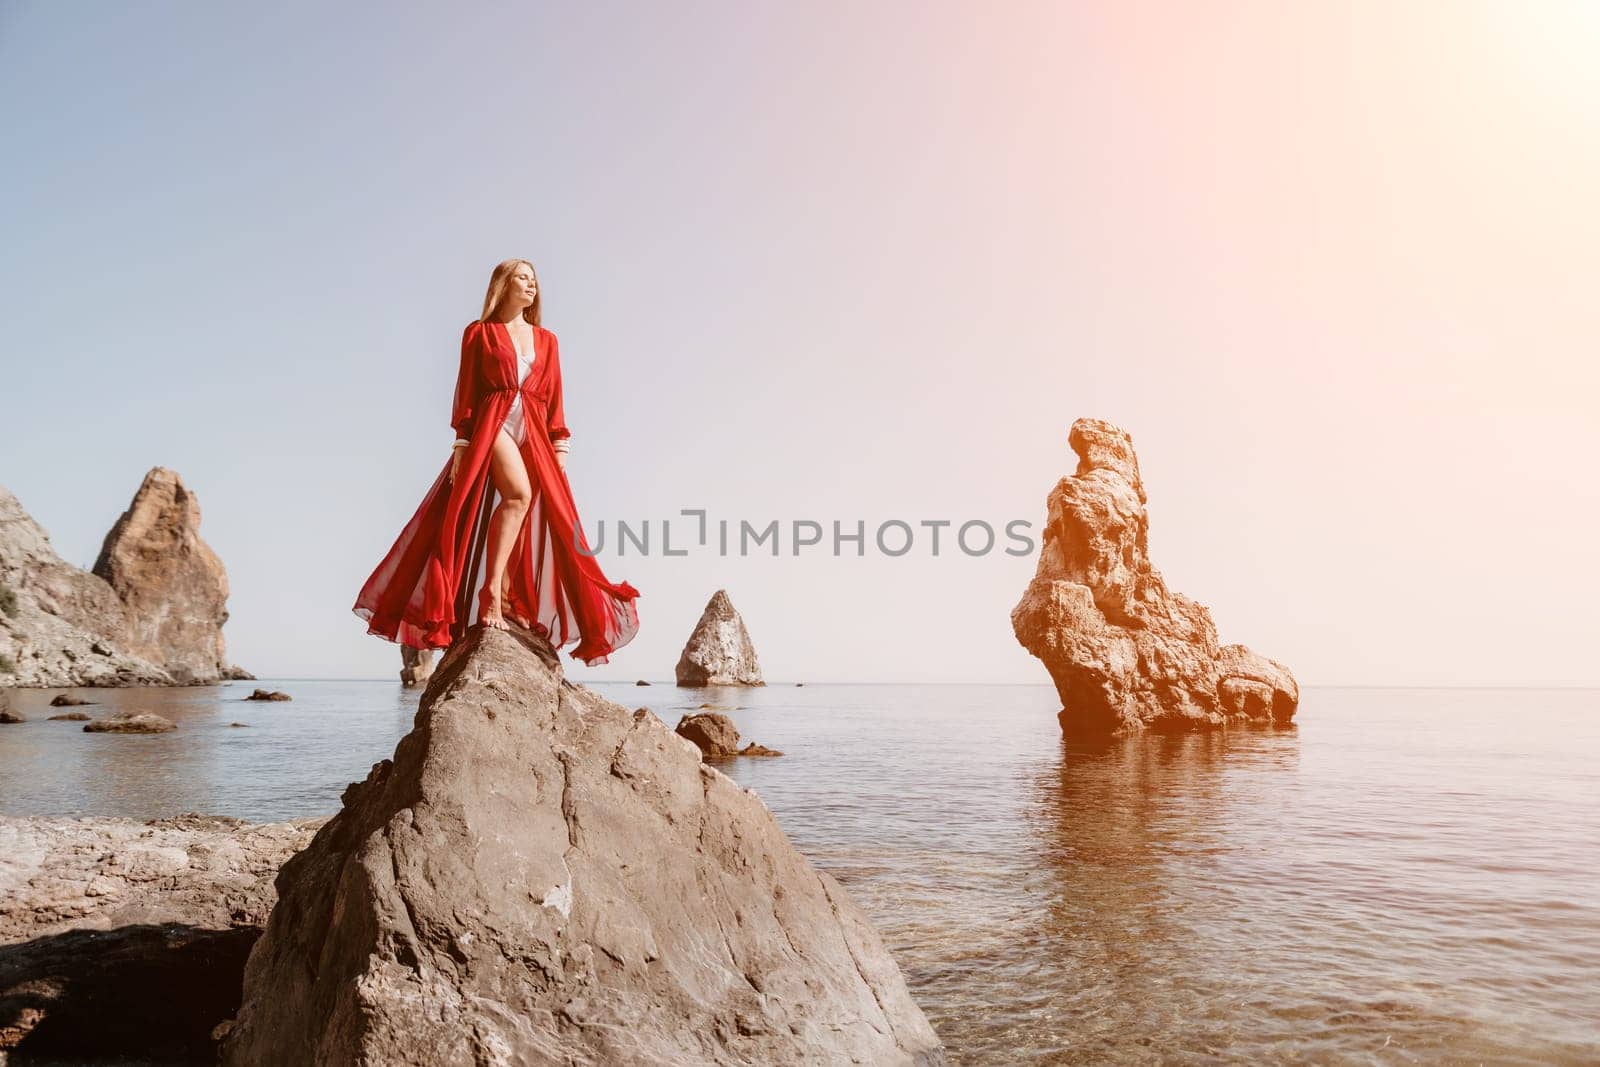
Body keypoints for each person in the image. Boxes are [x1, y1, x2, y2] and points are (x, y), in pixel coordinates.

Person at [352, 258, 639, 665]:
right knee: (518, 496)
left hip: (536, 430)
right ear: (502, 285)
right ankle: (490, 596)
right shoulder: (479, 333)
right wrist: (462, 444)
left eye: (535, 280)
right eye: (523, 278)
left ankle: (507, 595)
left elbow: (555, 394)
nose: (531, 285)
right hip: (494, 424)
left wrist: (560, 443)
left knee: (542, 515)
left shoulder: (548, 340)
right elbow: (466, 392)